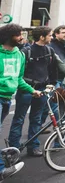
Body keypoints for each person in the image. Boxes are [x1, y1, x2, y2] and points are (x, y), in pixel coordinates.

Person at [8, 27, 59, 157]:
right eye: (49, 35)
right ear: (41, 37)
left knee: (36, 119)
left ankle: (33, 146)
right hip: (26, 89)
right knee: (19, 118)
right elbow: (19, 72)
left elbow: (53, 70)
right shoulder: (26, 51)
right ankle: (14, 147)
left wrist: (52, 84)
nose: (51, 38)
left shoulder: (50, 50)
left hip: (42, 89)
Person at [0, 24, 42, 179]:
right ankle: (2, 170)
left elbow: (18, 79)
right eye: (18, 35)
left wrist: (32, 90)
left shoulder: (19, 55)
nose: (22, 38)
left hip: (6, 99)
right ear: (8, 36)